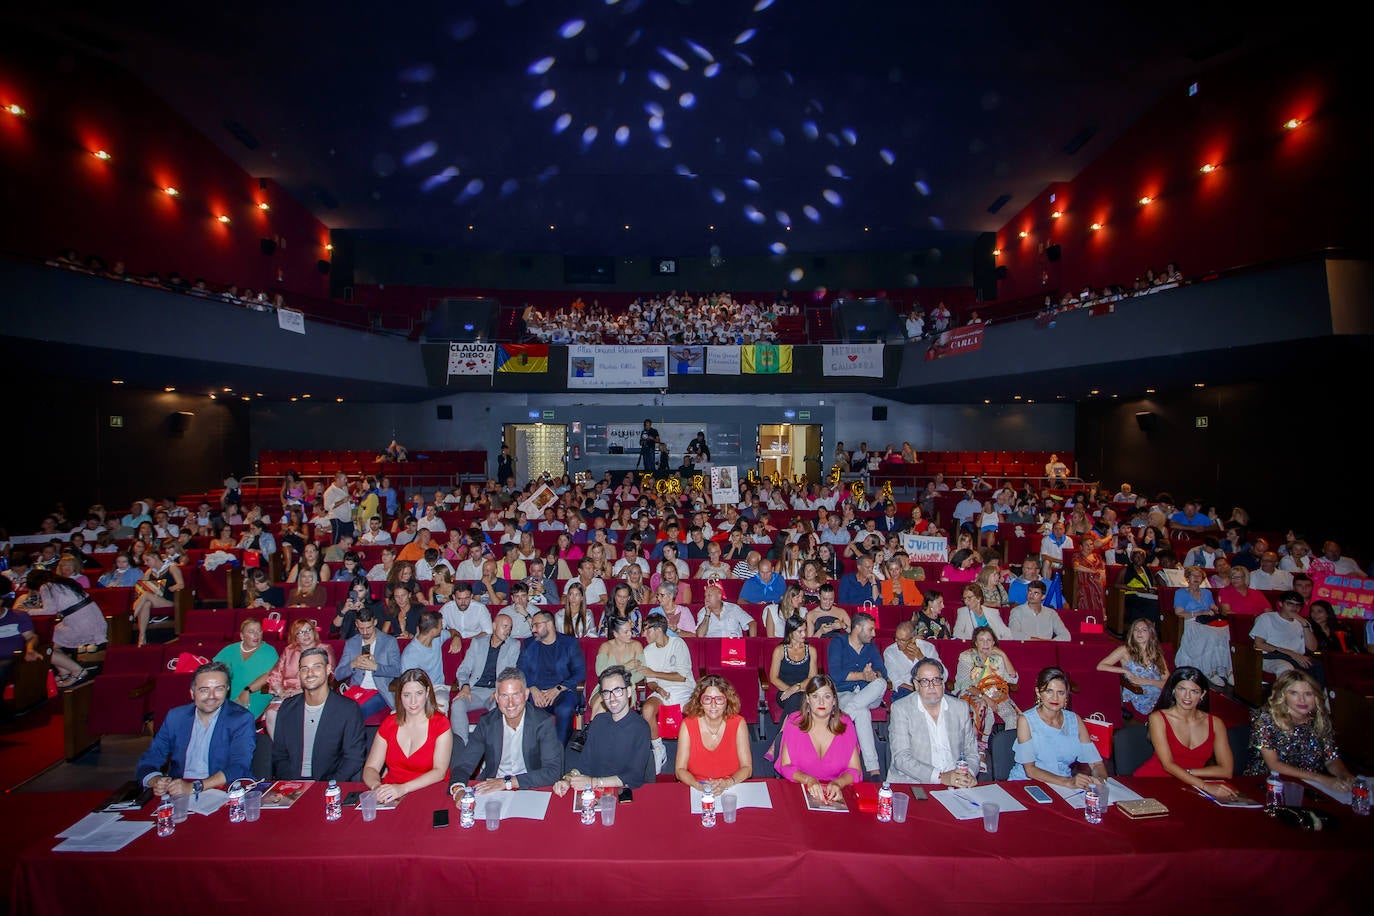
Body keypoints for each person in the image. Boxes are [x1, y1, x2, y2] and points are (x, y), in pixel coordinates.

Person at [135, 662, 256, 797]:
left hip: (223, 789)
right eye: (204, 690)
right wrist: (156, 781)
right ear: (192, 693)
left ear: (227, 689)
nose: (212, 696)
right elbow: (150, 759)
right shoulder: (176, 717)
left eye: (219, 689)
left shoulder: (241, 719)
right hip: (179, 791)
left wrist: (195, 787)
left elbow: (239, 767)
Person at [448, 667, 563, 794]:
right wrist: (458, 790)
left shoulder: (543, 722)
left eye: (516, 695)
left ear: (526, 695)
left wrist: (507, 782)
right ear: (496, 697)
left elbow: (553, 772)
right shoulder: (487, 723)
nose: (510, 703)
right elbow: (464, 764)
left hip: (530, 787)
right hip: (493, 788)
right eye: (504, 696)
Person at [1132, 667, 1238, 799]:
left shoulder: (1216, 723)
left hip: (1191, 785)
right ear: (1173, 690)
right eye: (1182, 689)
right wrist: (1205, 786)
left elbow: (1226, 771)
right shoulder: (1158, 718)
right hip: (1155, 781)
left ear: (1203, 694)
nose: (1187, 696)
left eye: (1194, 691)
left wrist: (1189, 772)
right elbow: (1168, 765)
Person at [1243, 669, 1355, 791]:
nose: (1302, 700)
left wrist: (1345, 775)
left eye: (1308, 694)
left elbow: (1331, 758)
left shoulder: (1319, 720)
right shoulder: (1265, 719)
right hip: (1268, 785)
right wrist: (1321, 779)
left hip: (1308, 785)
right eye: (1294, 693)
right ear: (1283, 696)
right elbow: (1274, 765)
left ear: (1316, 696)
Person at [270, 647, 368, 781]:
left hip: (329, 785)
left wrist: (327, 785)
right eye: (304, 668)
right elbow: (279, 756)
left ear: (328, 670)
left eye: (316, 667)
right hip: (293, 785)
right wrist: (293, 783)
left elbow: (354, 759)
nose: (310, 673)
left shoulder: (348, 709)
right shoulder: (287, 708)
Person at [553, 665, 652, 798]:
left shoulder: (641, 728)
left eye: (617, 690)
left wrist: (593, 782)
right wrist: (568, 779)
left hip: (624, 794)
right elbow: (584, 763)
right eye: (606, 692)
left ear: (628, 692)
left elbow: (634, 777)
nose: (612, 698)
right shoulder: (599, 721)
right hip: (597, 793)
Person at [361, 669, 453, 805]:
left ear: (427, 693)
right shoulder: (389, 723)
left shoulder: (441, 724)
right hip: (392, 793)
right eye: (406, 695)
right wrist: (377, 787)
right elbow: (371, 768)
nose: (413, 701)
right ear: (399, 696)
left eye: (419, 693)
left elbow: (439, 771)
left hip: (429, 791)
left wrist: (403, 789)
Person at [1008, 667, 1107, 785]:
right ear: (1038, 692)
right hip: (1028, 783)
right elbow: (1030, 770)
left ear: (1066, 695)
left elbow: (1096, 763)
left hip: (1064, 786)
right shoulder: (1026, 720)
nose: (1055, 698)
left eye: (1060, 693)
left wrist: (1100, 780)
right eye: (1049, 691)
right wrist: (1068, 782)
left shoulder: (1075, 720)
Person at [888, 659, 980, 785]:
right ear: (916, 684)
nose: (931, 686)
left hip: (955, 781)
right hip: (913, 783)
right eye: (925, 681)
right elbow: (901, 759)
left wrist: (968, 773)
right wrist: (941, 778)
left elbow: (971, 751)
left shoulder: (960, 707)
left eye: (936, 680)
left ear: (943, 683)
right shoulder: (901, 709)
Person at [773, 674, 863, 802]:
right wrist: (808, 780)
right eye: (815, 696)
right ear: (808, 699)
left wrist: (838, 783)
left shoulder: (846, 724)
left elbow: (855, 771)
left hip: (837, 794)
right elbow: (786, 766)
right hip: (800, 790)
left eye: (827, 696)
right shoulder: (794, 722)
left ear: (834, 700)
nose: (821, 702)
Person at [827, 611, 886, 779]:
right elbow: (836, 675)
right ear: (857, 628)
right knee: (862, 712)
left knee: (880, 683)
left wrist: (873, 675)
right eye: (870, 630)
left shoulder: (870, 647)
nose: (874, 634)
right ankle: (873, 769)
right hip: (844, 693)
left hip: (868, 693)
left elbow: (883, 673)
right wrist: (862, 676)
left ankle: (843, 717)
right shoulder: (838, 643)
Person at [253, 619, 336, 737]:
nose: (306, 634)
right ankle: (281, 750)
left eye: (308, 630)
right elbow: (275, 674)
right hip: (287, 694)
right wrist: (281, 692)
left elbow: (330, 675)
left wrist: (300, 691)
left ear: (314, 632)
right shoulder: (289, 650)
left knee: (299, 714)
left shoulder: (325, 648)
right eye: (300, 632)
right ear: (295, 637)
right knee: (271, 714)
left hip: (314, 691)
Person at [954, 627, 1021, 768]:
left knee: (1012, 716)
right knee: (985, 710)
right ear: (976, 643)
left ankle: (1008, 751)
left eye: (989, 640)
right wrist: (985, 697)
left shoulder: (997, 658)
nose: (985, 643)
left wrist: (1003, 654)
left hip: (994, 693)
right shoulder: (966, 657)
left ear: (994, 642)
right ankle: (981, 750)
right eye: (981, 640)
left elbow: (1013, 679)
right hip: (971, 692)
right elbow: (964, 684)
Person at [449, 613, 522, 742]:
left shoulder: (513, 645)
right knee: (457, 704)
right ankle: (463, 744)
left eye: (510, 628)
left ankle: (492, 748)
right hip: (475, 689)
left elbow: (511, 672)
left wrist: (500, 691)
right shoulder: (478, 642)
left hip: (496, 691)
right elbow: (464, 669)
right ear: (494, 626)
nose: (508, 631)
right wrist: (465, 686)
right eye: (505, 627)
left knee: (500, 708)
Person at [25, 570, 106, 687]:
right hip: (93, 619)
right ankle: (64, 672)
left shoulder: (46, 586)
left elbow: (49, 610)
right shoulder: (64, 582)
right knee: (50, 641)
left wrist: (26, 612)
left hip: (81, 623)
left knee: (43, 645)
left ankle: (78, 671)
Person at [674, 675, 753, 793]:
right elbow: (680, 770)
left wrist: (727, 783)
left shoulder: (738, 723)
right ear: (700, 701)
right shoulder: (687, 725)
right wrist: (699, 786)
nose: (713, 705)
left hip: (731, 786)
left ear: (727, 700)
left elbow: (747, 768)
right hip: (696, 788)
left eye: (719, 699)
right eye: (707, 699)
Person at [639, 614, 696, 772]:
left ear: (658, 630)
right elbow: (650, 680)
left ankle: (694, 748)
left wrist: (654, 673)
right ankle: (658, 748)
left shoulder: (678, 644)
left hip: (683, 688)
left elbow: (681, 676)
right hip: (662, 689)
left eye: (646, 630)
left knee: (693, 711)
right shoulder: (648, 650)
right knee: (647, 709)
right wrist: (658, 689)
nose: (643, 634)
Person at [518, 609, 585, 743]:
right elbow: (521, 670)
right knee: (524, 707)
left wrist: (558, 689)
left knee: (565, 709)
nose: (533, 629)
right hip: (537, 692)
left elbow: (580, 672)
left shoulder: (569, 644)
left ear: (549, 625)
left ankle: (558, 753)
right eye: (532, 626)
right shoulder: (528, 644)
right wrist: (532, 688)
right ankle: (529, 753)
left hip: (563, 692)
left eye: (536, 625)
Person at [334, 609, 403, 720]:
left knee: (356, 712)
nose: (365, 632)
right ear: (356, 624)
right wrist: (353, 664)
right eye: (361, 628)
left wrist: (376, 667)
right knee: (336, 710)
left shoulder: (389, 642)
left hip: (380, 691)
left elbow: (397, 670)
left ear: (375, 622)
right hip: (357, 690)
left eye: (368, 627)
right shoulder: (351, 643)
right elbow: (338, 674)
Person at [1096, 618, 1170, 718]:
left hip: (1158, 694)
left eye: (1144, 630)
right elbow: (1101, 666)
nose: (1139, 632)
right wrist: (1124, 670)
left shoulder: (1157, 654)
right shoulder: (1125, 650)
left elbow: (1167, 681)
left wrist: (1145, 681)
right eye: (1136, 629)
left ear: (1150, 633)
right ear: (1132, 633)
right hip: (1138, 694)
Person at [1173, 565, 1232, 687]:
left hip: (1206, 621)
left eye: (1199, 576)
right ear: (1187, 578)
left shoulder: (1207, 592)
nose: (1196, 578)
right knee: (1211, 634)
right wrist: (1199, 612)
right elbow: (1179, 613)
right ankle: (1209, 670)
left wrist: (1216, 609)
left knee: (1226, 631)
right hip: (1190, 621)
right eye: (1193, 575)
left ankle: (1227, 670)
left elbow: (1212, 607)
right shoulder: (1180, 593)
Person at [214, 617, 279, 720]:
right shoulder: (230, 650)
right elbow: (215, 670)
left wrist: (247, 690)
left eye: (259, 631)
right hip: (230, 694)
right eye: (251, 632)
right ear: (242, 636)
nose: (256, 635)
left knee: (239, 718)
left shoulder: (269, 651)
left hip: (257, 694)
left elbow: (269, 675)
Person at [1250, 590, 1321, 681]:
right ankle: (1283, 694)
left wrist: (1304, 624)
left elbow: (1312, 648)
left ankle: (1318, 694)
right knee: (1286, 667)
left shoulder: (1303, 623)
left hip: (1297, 657)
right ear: (1280, 604)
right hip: (1270, 656)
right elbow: (1259, 644)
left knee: (1318, 665)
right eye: (1290, 604)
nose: (1294, 608)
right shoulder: (1266, 618)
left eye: (1297, 605)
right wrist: (1290, 653)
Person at [132, 540, 185, 647]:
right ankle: (142, 637)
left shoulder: (172, 567)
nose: (145, 563)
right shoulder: (149, 571)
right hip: (155, 599)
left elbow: (181, 584)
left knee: (146, 595)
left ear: (155, 558)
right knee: (146, 603)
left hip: (170, 600)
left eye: (147, 560)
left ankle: (132, 616)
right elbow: (141, 588)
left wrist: (172, 588)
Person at [769, 615, 819, 719]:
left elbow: (812, 677)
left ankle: (783, 733)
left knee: (797, 699)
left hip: (805, 689)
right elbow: (773, 678)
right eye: (800, 631)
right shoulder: (780, 650)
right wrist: (790, 690)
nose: (804, 634)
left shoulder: (811, 650)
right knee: (795, 699)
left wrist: (797, 688)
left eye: (805, 630)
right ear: (791, 632)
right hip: (784, 690)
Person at [400, 611, 450, 710]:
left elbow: (452, 632)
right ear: (432, 631)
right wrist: (428, 700)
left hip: (438, 687)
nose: (442, 627)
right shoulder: (410, 654)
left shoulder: (437, 638)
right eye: (440, 625)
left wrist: (456, 637)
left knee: (442, 703)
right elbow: (409, 685)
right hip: (417, 691)